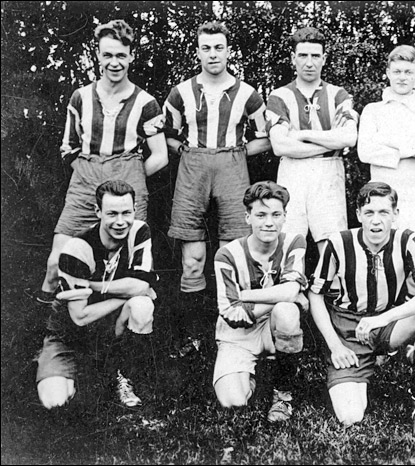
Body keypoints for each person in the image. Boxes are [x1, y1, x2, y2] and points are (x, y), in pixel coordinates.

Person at [32, 19, 167, 304]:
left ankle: (122, 337)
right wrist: (90, 173)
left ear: (131, 56)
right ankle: (47, 331)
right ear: (98, 56)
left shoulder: (146, 103)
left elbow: (161, 156)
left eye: (120, 55)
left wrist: (128, 175)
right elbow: (68, 148)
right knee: (57, 262)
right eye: (108, 55)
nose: (114, 62)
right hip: (85, 184)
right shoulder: (80, 97)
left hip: (128, 185)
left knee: (129, 266)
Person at [163, 21, 270, 356]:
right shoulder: (180, 92)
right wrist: (186, 151)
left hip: (232, 169)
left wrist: (236, 153)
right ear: (197, 51)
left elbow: (265, 137)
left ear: (228, 51)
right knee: (193, 258)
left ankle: (233, 330)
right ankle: (193, 336)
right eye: (206, 48)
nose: (212, 54)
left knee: (233, 253)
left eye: (218, 47)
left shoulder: (247, 93)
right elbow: (167, 134)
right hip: (192, 167)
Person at [309, 182, 415, 439]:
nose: (376, 221)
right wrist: (335, 345)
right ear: (358, 214)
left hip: (387, 321)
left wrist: (382, 318)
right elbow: (315, 295)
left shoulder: (407, 239)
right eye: (369, 213)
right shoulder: (339, 242)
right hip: (348, 330)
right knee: (351, 416)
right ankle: (377, 360)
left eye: (384, 212)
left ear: (395, 214)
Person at [35, 180, 158, 409]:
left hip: (109, 330)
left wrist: (92, 285)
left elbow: (141, 288)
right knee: (54, 401)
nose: (120, 222)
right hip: (70, 335)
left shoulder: (139, 231)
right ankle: (62, 366)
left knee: (142, 306)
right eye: (112, 213)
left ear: (134, 211)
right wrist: (128, 292)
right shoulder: (77, 248)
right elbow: (80, 317)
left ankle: (121, 373)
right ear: (98, 211)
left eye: (126, 213)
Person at [213, 181, 307, 422]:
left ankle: (283, 394)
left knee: (287, 312)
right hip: (239, 334)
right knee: (233, 401)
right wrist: (285, 294)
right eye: (261, 215)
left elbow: (288, 295)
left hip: (274, 326)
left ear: (285, 216)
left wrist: (243, 295)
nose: (269, 222)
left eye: (276, 214)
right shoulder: (227, 255)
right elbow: (230, 312)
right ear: (248, 217)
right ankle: (252, 373)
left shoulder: (294, 242)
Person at [266, 26, 358, 251]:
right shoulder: (280, 96)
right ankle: (290, 286)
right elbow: (279, 146)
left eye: (315, 56)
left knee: (333, 244)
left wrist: (302, 135)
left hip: (328, 172)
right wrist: (328, 142)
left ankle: (332, 287)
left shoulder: (338, 95)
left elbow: (349, 137)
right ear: (293, 58)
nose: (309, 63)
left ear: (324, 58)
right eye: (303, 55)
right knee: (288, 241)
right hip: (292, 171)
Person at [357, 45, 415, 256]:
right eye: (397, 72)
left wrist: (386, 142)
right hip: (382, 194)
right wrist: (411, 147)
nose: (402, 77)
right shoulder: (372, 110)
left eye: (408, 72)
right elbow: (365, 152)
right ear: (387, 73)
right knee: (382, 254)